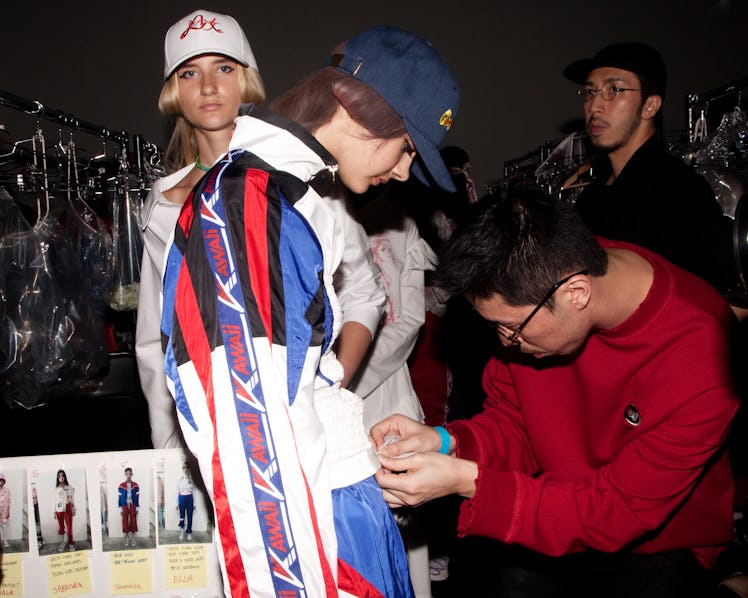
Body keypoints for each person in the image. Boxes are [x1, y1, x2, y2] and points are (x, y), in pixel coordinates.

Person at [161, 24, 460, 598]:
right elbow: (256, 443)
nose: (401, 172)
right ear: (352, 103)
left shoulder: (288, 194)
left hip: (331, 508)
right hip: (315, 535)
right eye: (405, 148)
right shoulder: (250, 203)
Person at [371, 185, 740, 597]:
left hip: (662, 540)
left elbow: (617, 513)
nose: (505, 342)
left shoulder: (704, 352)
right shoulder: (537, 280)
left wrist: (470, 482)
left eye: (509, 328)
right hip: (555, 506)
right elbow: (517, 423)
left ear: (576, 294)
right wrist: (447, 441)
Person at [136, 9, 267, 449]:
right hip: (204, 421)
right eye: (190, 73)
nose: (209, 87)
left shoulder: (294, 179)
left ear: (245, 79)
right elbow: (155, 336)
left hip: (289, 413)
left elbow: (356, 294)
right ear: (175, 91)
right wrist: (167, 447)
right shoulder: (162, 202)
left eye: (224, 68)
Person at [561, 42, 741, 306]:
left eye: (613, 90)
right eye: (590, 92)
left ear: (650, 106)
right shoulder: (591, 197)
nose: (595, 106)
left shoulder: (678, 190)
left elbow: (728, 297)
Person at [53, 469, 76, 553]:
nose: (61, 477)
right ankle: (62, 542)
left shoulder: (69, 487)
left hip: (68, 508)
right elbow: (54, 501)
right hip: (59, 510)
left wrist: (73, 509)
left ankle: (70, 543)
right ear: (57, 478)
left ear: (65, 477)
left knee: (69, 527)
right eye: (59, 476)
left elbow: (72, 499)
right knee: (61, 527)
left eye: (62, 475)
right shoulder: (56, 489)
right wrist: (54, 511)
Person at [117, 467, 139, 547]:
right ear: (125, 475)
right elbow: (119, 497)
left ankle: (133, 537)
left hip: (133, 505)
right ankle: (126, 537)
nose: (128, 475)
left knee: (133, 520)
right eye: (127, 474)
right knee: (125, 521)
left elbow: (137, 497)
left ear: (132, 474)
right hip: (124, 505)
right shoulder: (121, 485)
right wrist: (120, 508)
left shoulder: (135, 485)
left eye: (130, 474)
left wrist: (137, 508)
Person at [176, 462, 194, 542]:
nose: (185, 469)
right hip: (182, 498)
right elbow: (177, 492)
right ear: (182, 469)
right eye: (184, 468)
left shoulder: (192, 480)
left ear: (189, 469)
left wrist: (195, 503)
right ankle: (182, 531)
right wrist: (177, 503)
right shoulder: (179, 480)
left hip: (190, 498)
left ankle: (189, 532)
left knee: (190, 516)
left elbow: (194, 491)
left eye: (187, 468)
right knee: (182, 515)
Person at [0, 474, 9, 549]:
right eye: (0, 480)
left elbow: (9, 501)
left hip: (4, 511)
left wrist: (8, 511)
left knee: (4, 527)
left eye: (2, 480)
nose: (1, 482)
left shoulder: (7, 490)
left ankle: (5, 541)